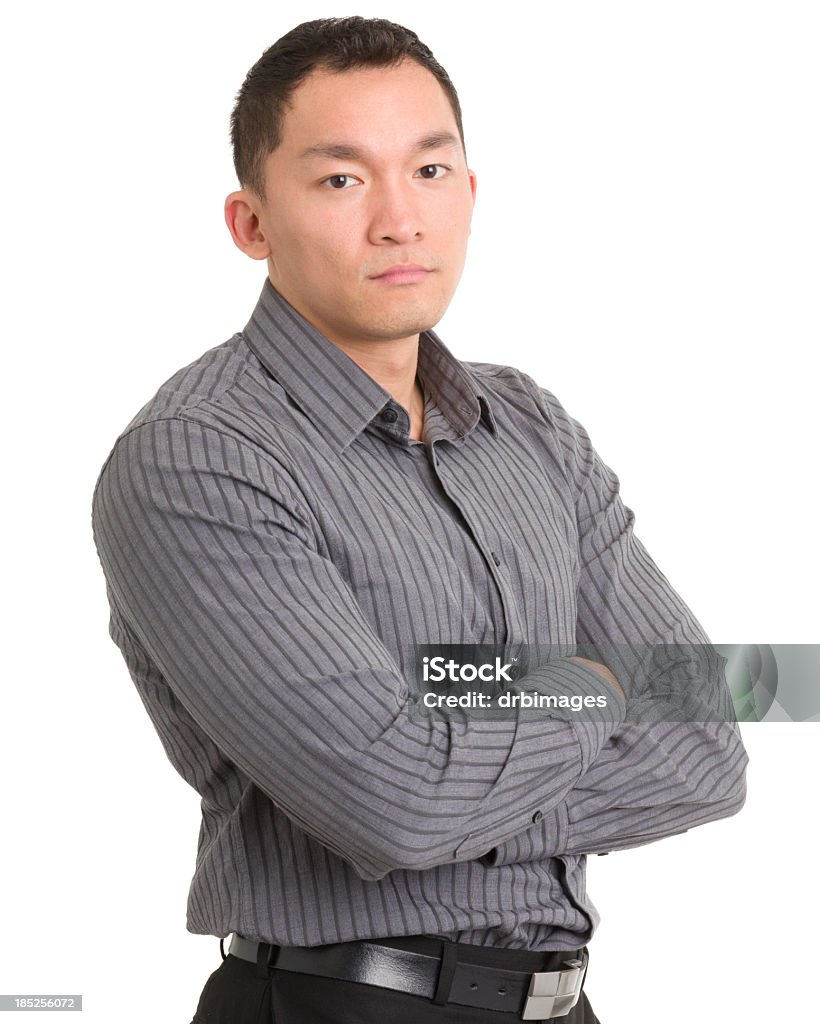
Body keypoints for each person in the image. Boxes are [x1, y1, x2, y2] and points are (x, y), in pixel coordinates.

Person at [91, 16, 748, 1024]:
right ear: (250, 223)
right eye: (341, 179)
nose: (400, 219)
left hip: (561, 1002)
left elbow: (709, 741)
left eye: (430, 171)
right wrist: (601, 682)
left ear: (470, 194)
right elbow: (397, 804)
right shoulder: (200, 455)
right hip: (337, 1003)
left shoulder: (529, 424)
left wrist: (451, 710)